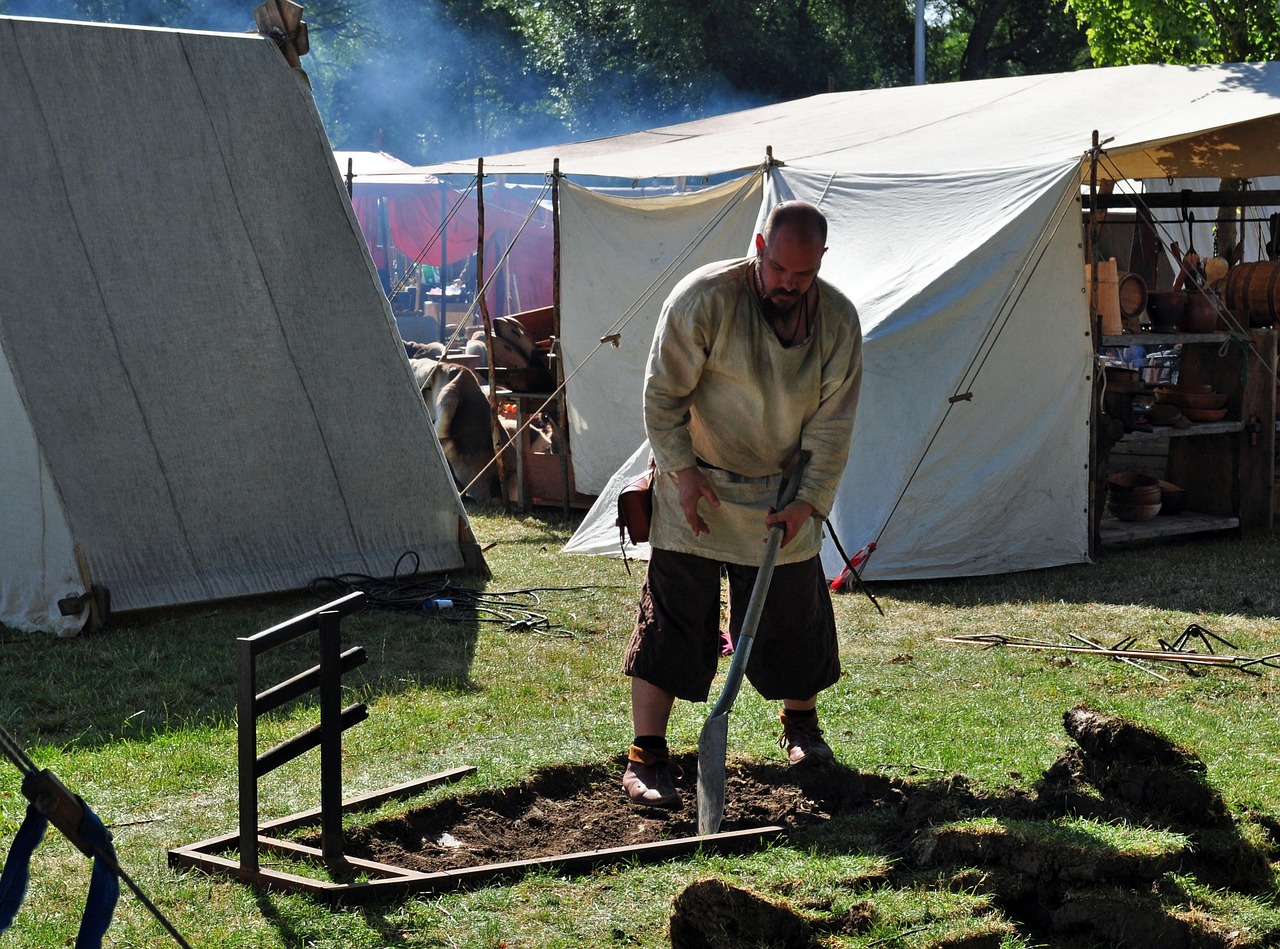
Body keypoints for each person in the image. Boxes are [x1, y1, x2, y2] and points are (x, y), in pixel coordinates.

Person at [621, 200, 863, 807]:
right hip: (694, 483)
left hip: (782, 496)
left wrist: (810, 501)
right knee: (675, 616)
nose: (789, 283)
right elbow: (662, 398)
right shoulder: (703, 299)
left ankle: (801, 729)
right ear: (759, 248)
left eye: (802, 275)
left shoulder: (837, 321)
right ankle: (647, 755)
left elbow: (833, 426)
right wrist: (680, 473)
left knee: (794, 619)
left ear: (821, 264)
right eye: (779, 268)